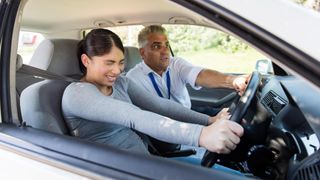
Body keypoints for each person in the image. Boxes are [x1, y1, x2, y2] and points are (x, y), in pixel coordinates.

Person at [61, 28, 243, 157]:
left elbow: (159, 105)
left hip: (148, 159)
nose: (117, 70)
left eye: (121, 62)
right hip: (116, 170)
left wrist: (209, 121)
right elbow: (133, 116)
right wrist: (201, 135)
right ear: (86, 61)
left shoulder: (121, 82)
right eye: (109, 63)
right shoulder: (77, 94)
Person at [126, 25, 249, 110]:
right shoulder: (132, 78)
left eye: (167, 45)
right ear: (142, 53)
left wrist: (233, 80)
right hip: (160, 128)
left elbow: (200, 75)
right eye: (157, 47)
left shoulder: (176, 64)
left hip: (188, 116)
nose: (165, 51)